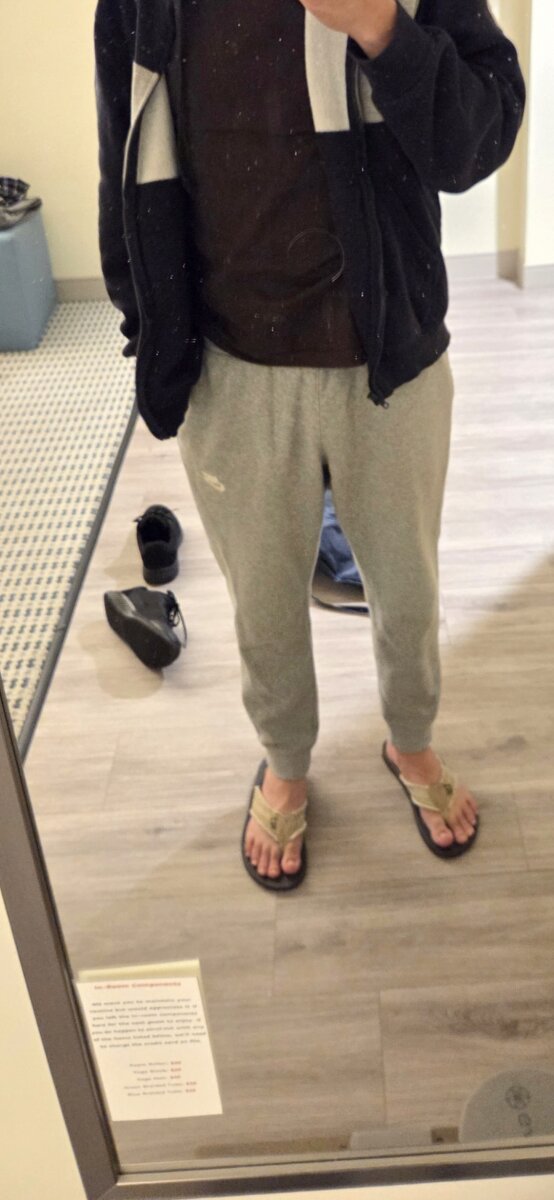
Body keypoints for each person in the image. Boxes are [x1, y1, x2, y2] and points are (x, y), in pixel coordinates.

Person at [94, 0, 526, 889]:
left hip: (390, 353)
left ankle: (412, 743)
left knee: (407, 589)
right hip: (229, 367)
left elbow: (479, 140)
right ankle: (286, 760)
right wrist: (149, 328)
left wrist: (382, 30)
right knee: (263, 604)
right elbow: (123, 163)